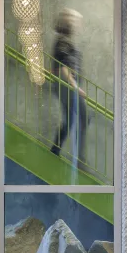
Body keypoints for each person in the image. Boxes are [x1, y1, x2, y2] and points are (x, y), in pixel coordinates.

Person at [50, 9, 87, 164]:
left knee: (81, 118)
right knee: (73, 120)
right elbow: (63, 67)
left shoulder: (67, 41)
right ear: (67, 22)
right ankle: (57, 151)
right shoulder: (62, 42)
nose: (77, 24)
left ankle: (69, 154)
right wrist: (75, 86)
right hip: (66, 87)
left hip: (68, 87)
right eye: (74, 20)